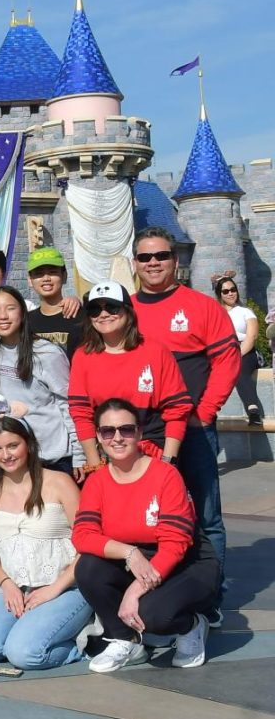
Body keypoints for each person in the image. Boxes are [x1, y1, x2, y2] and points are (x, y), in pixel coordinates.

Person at [132, 226, 239, 625]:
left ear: (176, 260)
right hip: (142, 435)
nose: (154, 263)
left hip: (192, 429)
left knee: (206, 514)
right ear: (135, 264)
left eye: (161, 255)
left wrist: (205, 411)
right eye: (145, 257)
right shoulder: (124, 309)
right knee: (149, 516)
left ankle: (210, 593)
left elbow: (228, 361)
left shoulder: (201, 306)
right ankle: (157, 587)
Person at [73, 398, 221, 672]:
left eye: (126, 429)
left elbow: (175, 544)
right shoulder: (97, 481)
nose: (117, 438)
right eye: (108, 431)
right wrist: (130, 552)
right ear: (98, 436)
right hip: (137, 558)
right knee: (88, 568)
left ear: (139, 433)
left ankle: (192, 626)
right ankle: (125, 639)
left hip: (185, 561)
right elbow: (82, 536)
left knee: (154, 616)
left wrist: (135, 590)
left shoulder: (166, 475)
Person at [0, 416, 91, 670]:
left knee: (24, 654)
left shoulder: (59, 482)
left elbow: (88, 544)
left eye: (13, 445)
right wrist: (6, 584)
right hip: (16, 589)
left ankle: (86, 644)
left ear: (28, 444)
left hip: (65, 587)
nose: (5, 455)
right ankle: (30, 631)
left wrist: (53, 589)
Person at [68, 282, 192, 475]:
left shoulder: (155, 351)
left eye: (112, 307)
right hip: (107, 453)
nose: (103, 314)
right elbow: (81, 412)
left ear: (128, 312)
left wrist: (168, 460)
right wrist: (95, 464)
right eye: (94, 309)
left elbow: (177, 409)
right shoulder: (83, 356)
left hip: (152, 451)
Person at [0, 286, 80, 473]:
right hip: (14, 459)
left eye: (10, 308)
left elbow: (67, 403)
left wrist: (79, 455)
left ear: (23, 313)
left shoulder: (46, 352)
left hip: (53, 457)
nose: (3, 316)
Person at [213, 275, 262, 426]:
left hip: (244, 350)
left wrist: (237, 354)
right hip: (222, 351)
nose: (230, 293)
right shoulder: (216, 313)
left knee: (238, 368)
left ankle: (253, 411)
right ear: (220, 294)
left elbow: (251, 336)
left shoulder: (245, 312)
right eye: (225, 291)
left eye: (233, 289)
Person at [24, 248, 84, 359]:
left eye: (52, 272)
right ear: (30, 280)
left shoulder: (80, 317)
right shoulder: (26, 321)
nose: (46, 278)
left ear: (64, 276)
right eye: (39, 274)